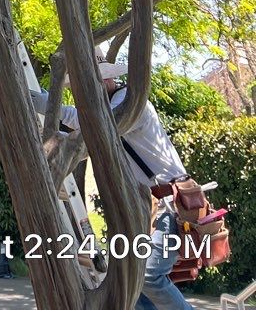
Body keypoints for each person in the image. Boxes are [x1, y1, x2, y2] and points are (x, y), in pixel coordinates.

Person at [43, 57, 194, 310]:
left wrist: (47, 106)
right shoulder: (112, 108)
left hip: (171, 206)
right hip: (152, 206)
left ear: (107, 79)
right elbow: (86, 124)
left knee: (148, 277)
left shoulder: (128, 104)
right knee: (133, 287)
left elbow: (92, 125)